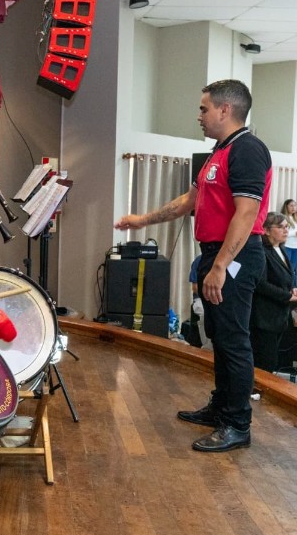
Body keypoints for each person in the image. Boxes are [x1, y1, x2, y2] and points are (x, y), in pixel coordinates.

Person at [115, 79, 271, 453]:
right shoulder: (220, 151)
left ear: (225, 110)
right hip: (215, 253)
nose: (199, 116)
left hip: (235, 256)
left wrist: (219, 267)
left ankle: (237, 424)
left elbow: (247, 213)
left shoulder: (248, 150)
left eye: (204, 108)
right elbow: (190, 200)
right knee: (219, 335)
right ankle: (221, 408)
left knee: (234, 340)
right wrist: (142, 221)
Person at [250, 212, 297, 372]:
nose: (286, 231)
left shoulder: (281, 250)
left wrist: (292, 289)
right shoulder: (262, 251)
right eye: (281, 227)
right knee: (265, 362)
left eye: (287, 227)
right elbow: (261, 284)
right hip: (265, 316)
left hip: (279, 316)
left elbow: (282, 278)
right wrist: (288, 295)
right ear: (267, 230)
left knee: (272, 361)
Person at [280, 198, 297, 286]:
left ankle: (294, 287)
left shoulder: (295, 218)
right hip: (287, 246)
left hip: (295, 247)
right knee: (287, 268)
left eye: (295, 205)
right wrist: (294, 233)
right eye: (291, 205)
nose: (293, 207)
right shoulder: (283, 218)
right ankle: (288, 287)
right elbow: (283, 232)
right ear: (286, 207)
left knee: (294, 269)